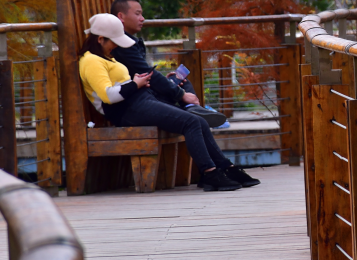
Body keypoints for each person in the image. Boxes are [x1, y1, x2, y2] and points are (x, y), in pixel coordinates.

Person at [78, 13, 260, 191]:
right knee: (191, 122)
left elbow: (118, 85)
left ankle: (225, 167)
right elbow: (108, 96)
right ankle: (210, 172)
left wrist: (137, 82)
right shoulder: (91, 61)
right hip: (127, 109)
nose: (116, 47)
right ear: (100, 39)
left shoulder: (105, 57)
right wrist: (135, 84)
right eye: (114, 42)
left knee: (199, 121)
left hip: (139, 100)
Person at [109, 0, 227, 128]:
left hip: (146, 94)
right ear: (121, 16)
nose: (142, 18)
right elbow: (148, 73)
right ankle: (192, 110)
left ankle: (193, 108)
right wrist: (180, 95)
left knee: (182, 81)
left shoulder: (130, 42)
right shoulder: (121, 45)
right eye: (138, 14)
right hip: (137, 103)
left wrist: (170, 85)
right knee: (192, 120)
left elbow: (146, 74)